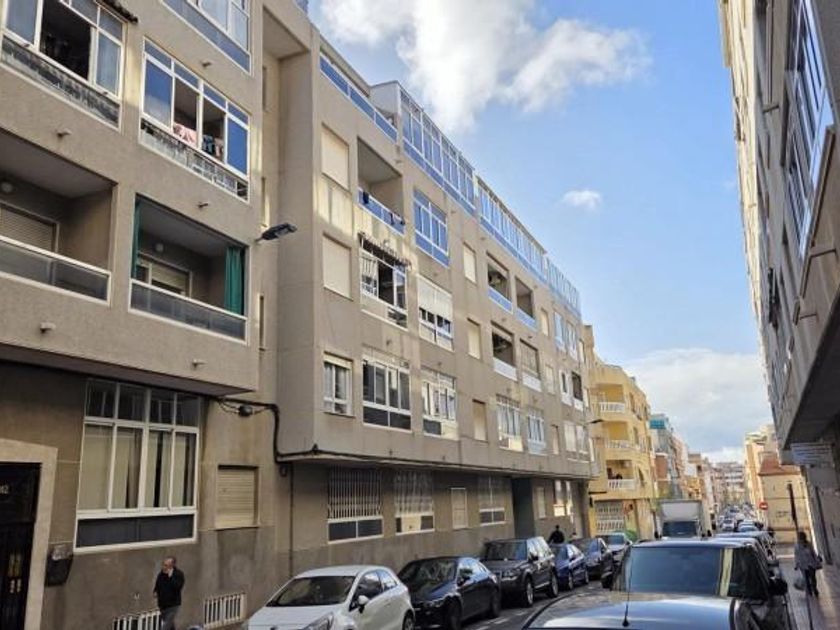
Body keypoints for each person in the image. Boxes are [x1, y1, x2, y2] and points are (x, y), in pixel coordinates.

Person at [154, 556, 185, 629]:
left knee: (165, 626)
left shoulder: (178, 574)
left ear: (171, 566)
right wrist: (155, 591)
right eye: (163, 564)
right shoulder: (161, 574)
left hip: (173, 605)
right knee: (170, 626)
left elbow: (178, 587)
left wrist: (170, 577)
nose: (163, 567)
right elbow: (158, 584)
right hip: (162, 605)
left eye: (166, 565)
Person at [794, 531, 821, 597]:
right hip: (802, 565)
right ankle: (809, 591)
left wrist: (817, 561)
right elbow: (796, 555)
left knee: (813, 577)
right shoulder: (797, 546)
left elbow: (813, 553)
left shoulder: (808, 544)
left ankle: (815, 589)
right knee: (806, 579)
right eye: (800, 538)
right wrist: (796, 564)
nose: (801, 540)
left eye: (802, 538)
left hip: (811, 563)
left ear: (804, 537)